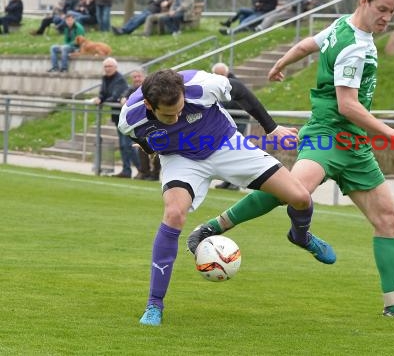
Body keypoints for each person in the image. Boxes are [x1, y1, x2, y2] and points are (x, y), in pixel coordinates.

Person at [188, 0, 394, 320]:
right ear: (363, 1)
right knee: (292, 189)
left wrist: (280, 64)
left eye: (392, 12)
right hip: (328, 135)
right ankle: (212, 228)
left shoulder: (340, 27)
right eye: (382, 9)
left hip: (354, 145)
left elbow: (308, 45)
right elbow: (347, 105)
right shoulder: (354, 45)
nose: (386, 17)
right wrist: (392, 133)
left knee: (388, 218)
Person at [118, 69, 335, 326]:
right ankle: (154, 305)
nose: (176, 117)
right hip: (181, 158)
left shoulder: (201, 86)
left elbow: (240, 91)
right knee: (174, 214)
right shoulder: (128, 119)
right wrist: (151, 148)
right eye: (168, 115)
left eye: (180, 109)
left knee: (300, 196)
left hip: (226, 145)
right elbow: (141, 138)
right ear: (148, 105)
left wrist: (271, 128)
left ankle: (300, 236)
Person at [93, 58, 140, 178]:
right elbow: (103, 93)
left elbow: (115, 96)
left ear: (115, 67)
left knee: (127, 145)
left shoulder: (119, 80)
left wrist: (102, 100)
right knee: (124, 144)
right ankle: (128, 171)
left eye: (110, 66)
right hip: (116, 117)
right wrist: (100, 98)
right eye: (106, 66)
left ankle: (141, 169)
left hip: (125, 117)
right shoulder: (105, 79)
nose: (107, 69)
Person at [211, 62, 250, 190]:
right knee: (227, 152)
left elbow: (233, 103)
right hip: (229, 121)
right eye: (217, 74)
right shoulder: (219, 83)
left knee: (236, 152)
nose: (219, 76)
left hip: (239, 120)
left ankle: (236, 183)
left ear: (226, 73)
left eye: (221, 74)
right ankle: (228, 181)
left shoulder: (233, 84)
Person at [120, 69, 159, 180]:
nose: (137, 79)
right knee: (142, 147)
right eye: (134, 77)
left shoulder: (152, 88)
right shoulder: (132, 89)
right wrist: (123, 98)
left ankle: (155, 174)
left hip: (155, 122)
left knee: (158, 147)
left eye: (139, 76)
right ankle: (144, 172)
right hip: (142, 126)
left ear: (145, 77)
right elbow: (124, 96)